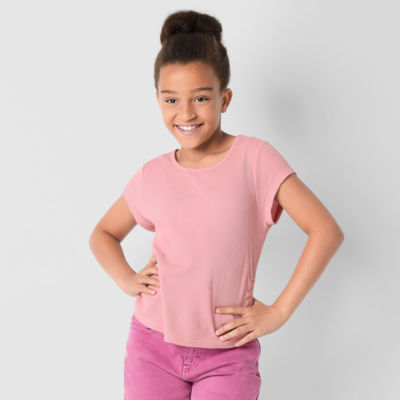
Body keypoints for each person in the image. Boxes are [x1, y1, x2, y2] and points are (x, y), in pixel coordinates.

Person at [88, 9, 344, 400]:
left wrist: (279, 312)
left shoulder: (255, 160)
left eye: (201, 98)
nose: (186, 113)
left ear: (224, 99)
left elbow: (326, 231)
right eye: (171, 99)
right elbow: (103, 233)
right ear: (158, 100)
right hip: (151, 346)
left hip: (229, 350)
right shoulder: (152, 174)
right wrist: (127, 279)